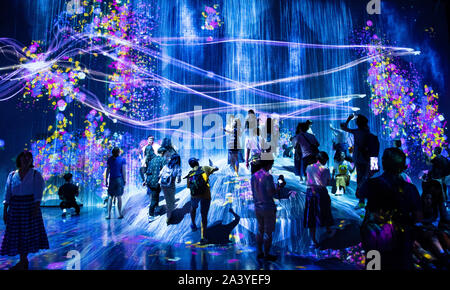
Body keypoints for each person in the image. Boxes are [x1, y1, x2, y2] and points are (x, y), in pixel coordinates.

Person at [359, 147, 422, 270]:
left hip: (374, 237)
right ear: (403, 166)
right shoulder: (410, 189)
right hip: (402, 239)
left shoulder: (372, 184)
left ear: (383, 163)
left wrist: (368, 175)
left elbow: (359, 193)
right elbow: (418, 217)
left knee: (374, 267)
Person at [1, 151, 49, 270]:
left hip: (29, 207)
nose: (26, 160)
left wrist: (36, 208)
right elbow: (8, 193)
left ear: (31, 161)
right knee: (17, 234)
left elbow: (38, 193)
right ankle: (23, 261)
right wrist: (5, 211)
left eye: (29, 158)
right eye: (24, 158)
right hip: (15, 208)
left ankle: (23, 261)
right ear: (19, 160)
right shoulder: (12, 175)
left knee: (26, 235)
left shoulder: (35, 174)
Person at [251, 159, 286, 261]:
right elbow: (271, 193)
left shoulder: (254, 176)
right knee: (268, 232)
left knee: (260, 230)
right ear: (269, 164)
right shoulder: (267, 176)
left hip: (257, 206)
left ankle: (260, 252)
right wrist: (279, 187)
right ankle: (266, 254)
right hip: (267, 207)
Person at [340, 113, 377, 208]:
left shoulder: (356, 132)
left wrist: (349, 118)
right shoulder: (369, 134)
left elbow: (344, 127)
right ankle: (367, 201)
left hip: (359, 159)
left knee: (360, 178)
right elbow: (374, 151)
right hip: (368, 159)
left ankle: (361, 200)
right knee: (366, 179)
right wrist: (374, 166)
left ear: (358, 123)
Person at [303, 151, 334, 247]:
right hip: (321, 192)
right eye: (326, 160)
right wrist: (332, 176)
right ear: (323, 160)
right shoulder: (325, 169)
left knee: (311, 215)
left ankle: (313, 240)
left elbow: (307, 178)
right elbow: (327, 183)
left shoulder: (308, 167)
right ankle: (328, 229)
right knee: (325, 210)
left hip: (310, 192)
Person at [185, 157, 218, 244]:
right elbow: (216, 168)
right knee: (204, 215)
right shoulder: (205, 168)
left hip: (194, 195)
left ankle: (193, 224)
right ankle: (203, 238)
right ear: (197, 163)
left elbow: (188, 186)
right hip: (205, 195)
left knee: (193, 207)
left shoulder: (190, 174)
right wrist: (212, 166)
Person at [159, 153, 182, 224]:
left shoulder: (166, 165)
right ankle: (168, 217)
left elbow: (160, 174)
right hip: (171, 185)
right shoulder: (177, 167)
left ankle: (169, 214)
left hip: (163, 185)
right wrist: (178, 179)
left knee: (168, 200)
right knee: (171, 202)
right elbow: (178, 180)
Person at [145, 147, 167, 221]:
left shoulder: (152, 160)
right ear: (162, 153)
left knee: (155, 195)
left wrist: (145, 181)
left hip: (150, 181)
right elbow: (164, 171)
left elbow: (148, 171)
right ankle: (150, 215)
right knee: (154, 199)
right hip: (156, 182)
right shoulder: (163, 159)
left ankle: (156, 209)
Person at [105, 147, 126, 219]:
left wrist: (106, 179)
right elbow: (123, 171)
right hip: (119, 179)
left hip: (112, 179)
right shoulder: (122, 159)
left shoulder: (109, 159)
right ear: (119, 152)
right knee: (119, 196)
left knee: (110, 197)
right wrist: (125, 180)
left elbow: (107, 170)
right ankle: (120, 213)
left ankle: (108, 215)